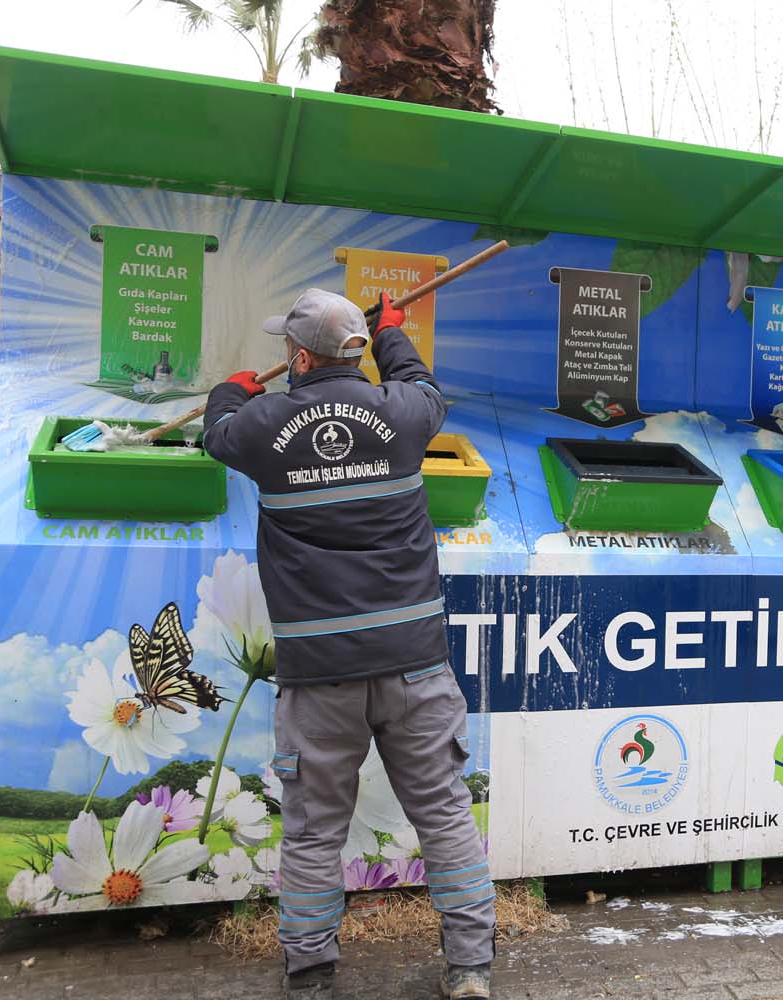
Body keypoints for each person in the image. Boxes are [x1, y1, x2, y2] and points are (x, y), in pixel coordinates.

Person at [204, 288, 496, 998]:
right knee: (445, 814)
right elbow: (423, 386)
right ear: (356, 352)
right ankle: (470, 968)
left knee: (313, 832)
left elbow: (218, 434)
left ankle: (309, 975)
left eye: (286, 350)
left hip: (319, 677)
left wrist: (229, 390)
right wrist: (391, 332)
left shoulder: (265, 423)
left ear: (300, 359)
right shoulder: (402, 414)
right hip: (415, 666)